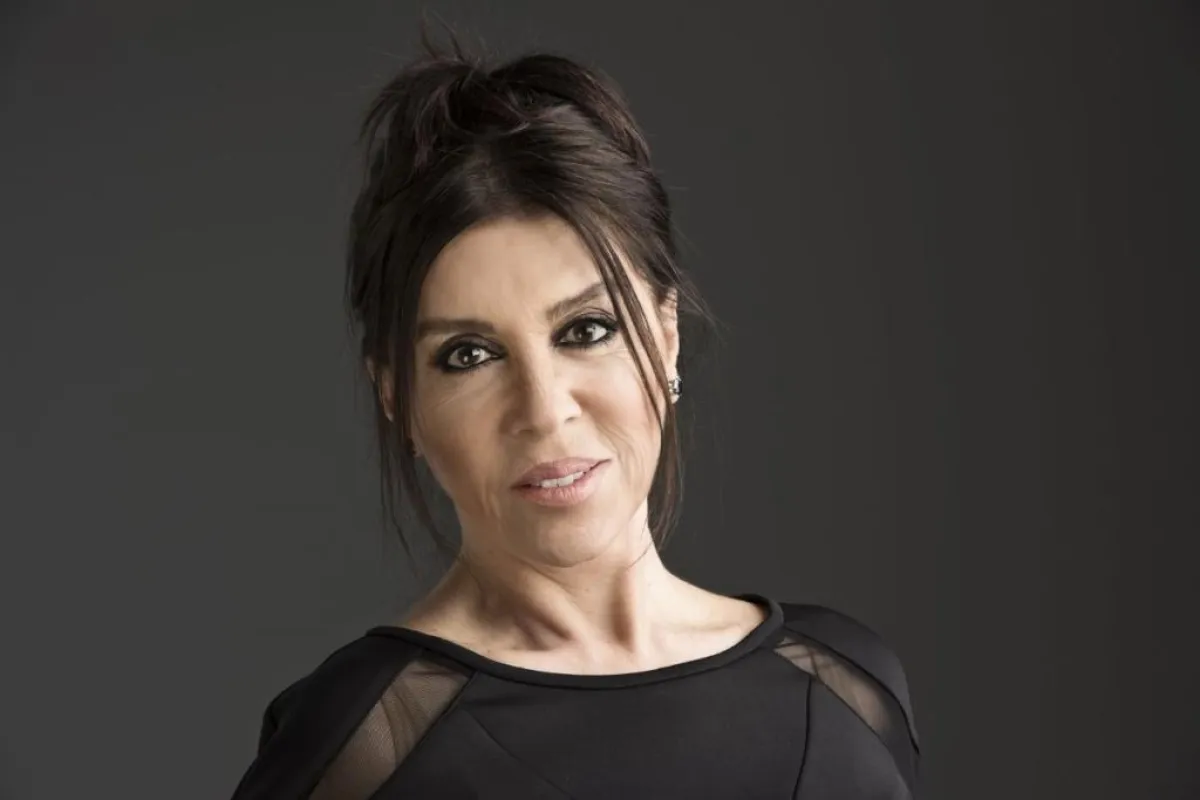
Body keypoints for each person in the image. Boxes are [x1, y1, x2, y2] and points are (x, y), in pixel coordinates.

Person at [230, 30, 920, 800]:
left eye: (586, 330)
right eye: (469, 354)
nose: (544, 409)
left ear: (666, 335)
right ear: (397, 397)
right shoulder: (364, 743)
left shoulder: (846, 684)